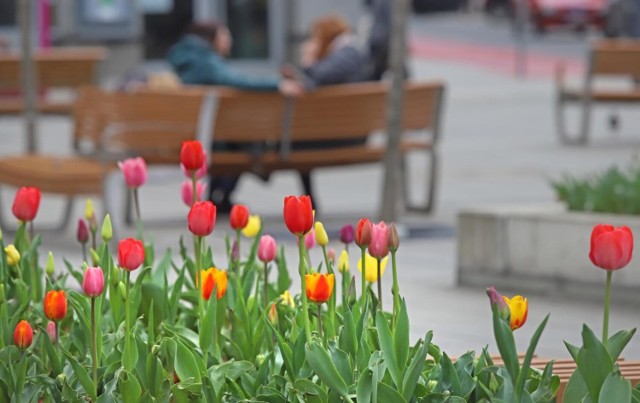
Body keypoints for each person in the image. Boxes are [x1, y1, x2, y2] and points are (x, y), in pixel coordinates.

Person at [167, 22, 302, 212]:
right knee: (244, 141)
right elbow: (236, 81)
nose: (229, 40)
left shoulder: (186, 58)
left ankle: (218, 197)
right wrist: (277, 84)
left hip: (196, 132)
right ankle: (223, 194)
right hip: (209, 137)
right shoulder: (204, 61)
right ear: (211, 38)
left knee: (240, 137)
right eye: (225, 35)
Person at [289, 15, 370, 202]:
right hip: (344, 130)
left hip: (346, 135)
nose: (313, 42)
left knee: (294, 143)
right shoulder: (348, 53)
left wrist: (309, 61)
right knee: (294, 141)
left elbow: (320, 77)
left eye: (315, 37)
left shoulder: (348, 53)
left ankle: (309, 199)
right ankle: (309, 199)